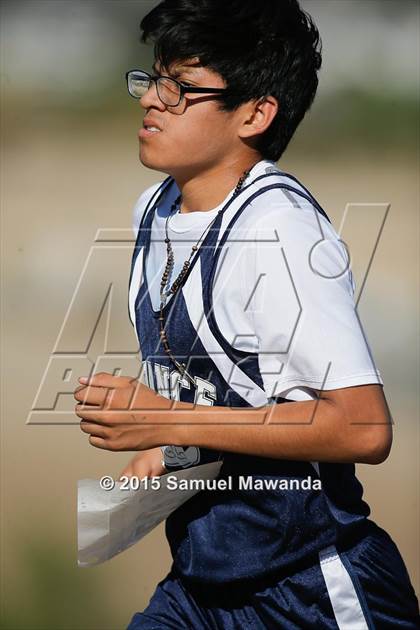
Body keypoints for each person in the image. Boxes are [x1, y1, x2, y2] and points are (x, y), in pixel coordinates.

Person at [75, 0, 420, 627]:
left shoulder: (279, 230)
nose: (153, 99)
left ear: (256, 113)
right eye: (153, 78)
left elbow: (363, 429)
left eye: (182, 88)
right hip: (200, 588)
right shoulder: (153, 212)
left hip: (312, 591)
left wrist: (167, 421)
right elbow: (237, 412)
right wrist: (165, 456)